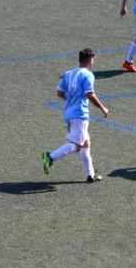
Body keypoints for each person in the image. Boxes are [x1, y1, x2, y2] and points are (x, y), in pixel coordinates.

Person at [41, 48, 109, 183]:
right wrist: (103, 108)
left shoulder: (69, 73)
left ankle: (91, 174)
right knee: (77, 145)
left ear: (79, 60)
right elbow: (90, 94)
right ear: (91, 60)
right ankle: (50, 157)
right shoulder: (88, 75)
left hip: (69, 114)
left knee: (86, 143)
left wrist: (71, 99)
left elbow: (60, 93)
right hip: (80, 115)